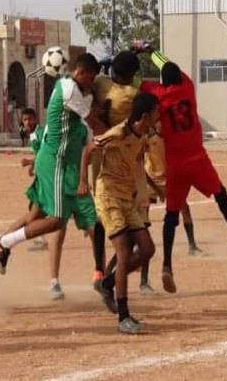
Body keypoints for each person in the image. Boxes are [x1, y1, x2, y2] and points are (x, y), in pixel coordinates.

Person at [0, 53, 100, 288]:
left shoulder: (69, 89)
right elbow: (93, 118)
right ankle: (3, 245)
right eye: (91, 77)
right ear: (81, 72)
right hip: (55, 163)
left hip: (53, 162)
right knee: (56, 221)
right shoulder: (70, 90)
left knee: (35, 217)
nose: (91, 82)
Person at [138, 48, 227, 294]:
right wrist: (151, 50)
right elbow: (166, 63)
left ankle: (167, 266)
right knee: (220, 192)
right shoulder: (188, 86)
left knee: (170, 216)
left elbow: (139, 83)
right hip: (197, 158)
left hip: (175, 164)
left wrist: (137, 54)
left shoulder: (159, 94)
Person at [87, 93, 159, 334]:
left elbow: (134, 164)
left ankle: (107, 283)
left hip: (127, 197)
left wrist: (149, 188)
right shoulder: (118, 133)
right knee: (124, 252)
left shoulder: (142, 136)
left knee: (147, 249)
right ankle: (123, 317)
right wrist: (82, 182)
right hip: (108, 196)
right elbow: (89, 149)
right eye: (156, 113)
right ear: (146, 116)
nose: (158, 117)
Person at [92, 50, 154, 295]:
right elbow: (146, 101)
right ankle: (119, 278)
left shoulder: (100, 84)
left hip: (101, 155)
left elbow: (102, 70)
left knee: (101, 215)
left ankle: (99, 270)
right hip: (127, 159)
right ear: (132, 74)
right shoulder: (132, 95)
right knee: (137, 223)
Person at [144, 125, 200, 257]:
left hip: (169, 179)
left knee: (184, 209)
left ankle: (192, 245)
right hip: (152, 180)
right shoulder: (148, 138)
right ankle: (141, 244)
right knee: (144, 211)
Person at [19, 108, 49, 253]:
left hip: (46, 175)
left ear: (36, 119)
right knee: (34, 206)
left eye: (30, 119)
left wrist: (29, 162)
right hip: (42, 174)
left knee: (36, 207)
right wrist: (33, 166)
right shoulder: (33, 134)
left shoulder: (39, 133)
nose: (27, 122)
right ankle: (40, 238)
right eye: (25, 120)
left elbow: (45, 152)